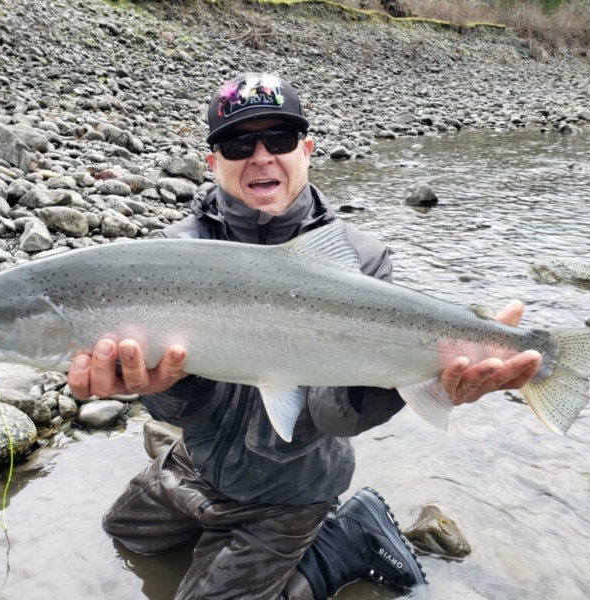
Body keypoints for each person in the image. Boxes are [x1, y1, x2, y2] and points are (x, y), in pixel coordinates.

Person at [67, 73, 542, 599]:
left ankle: (341, 546)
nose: (262, 155)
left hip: (297, 486)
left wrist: (432, 381)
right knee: (126, 538)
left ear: (307, 150)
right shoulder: (175, 254)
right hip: (199, 463)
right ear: (213, 161)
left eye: (281, 139)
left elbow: (337, 416)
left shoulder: (359, 260)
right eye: (238, 142)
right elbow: (180, 413)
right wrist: (155, 386)